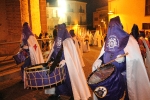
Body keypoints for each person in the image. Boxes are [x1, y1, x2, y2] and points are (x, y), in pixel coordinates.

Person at [91, 16, 150, 100]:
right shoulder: (107, 40)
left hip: (124, 78)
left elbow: (135, 59)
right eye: (110, 26)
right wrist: (99, 60)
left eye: (114, 26)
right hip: (109, 78)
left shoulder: (130, 40)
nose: (112, 28)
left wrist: (125, 59)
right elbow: (104, 54)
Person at [45, 23, 91, 100]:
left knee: (70, 81)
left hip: (68, 66)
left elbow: (71, 55)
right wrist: (51, 59)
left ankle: (74, 95)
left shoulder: (69, 40)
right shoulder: (58, 40)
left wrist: (65, 61)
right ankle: (57, 94)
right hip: (58, 65)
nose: (58, 31)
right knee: (57, 81)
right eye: (58, 29)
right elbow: (55, 51)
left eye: (60, 29)